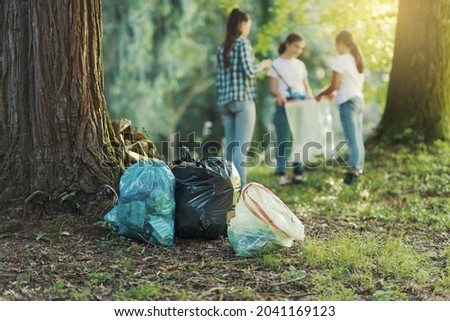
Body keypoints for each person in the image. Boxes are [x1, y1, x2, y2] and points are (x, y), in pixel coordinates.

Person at [215, 8, 271, 188]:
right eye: (248, 25)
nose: (249, 28)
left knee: (230, 148)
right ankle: (241, 188)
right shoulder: (242, 43)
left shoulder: (222, 48)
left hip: (225, 103)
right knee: (241, 148)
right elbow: (249, 70)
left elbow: (218, 80)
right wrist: (263, 65)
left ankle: (227, 189)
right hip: (242, 101)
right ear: (242, 24)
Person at [316, 30, 365, 185]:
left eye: (336, 45)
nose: (336, 48)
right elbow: (344, 85)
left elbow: (334, 85)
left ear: (341, 43)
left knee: (352, 138)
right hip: (358, 100)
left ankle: (353, 171)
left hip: (347, 102)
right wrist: (332, 92)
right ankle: (358, 168)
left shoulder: (341, 59)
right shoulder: (357, 60)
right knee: (357, 137)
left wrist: (320, 94)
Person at [268, 33, 313, 186]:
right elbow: (273, 89)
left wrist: (310, 98)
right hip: (284, 106)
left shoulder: (300, 65)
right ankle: (281, 173)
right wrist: (278, 95)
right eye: (296, 46)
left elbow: (306, 86)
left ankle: (298, 172)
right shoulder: (276, 63)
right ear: (287, 44)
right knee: (284, 140)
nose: (298, 50)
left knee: (299, 138)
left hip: (300, 105)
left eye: (300, 48)